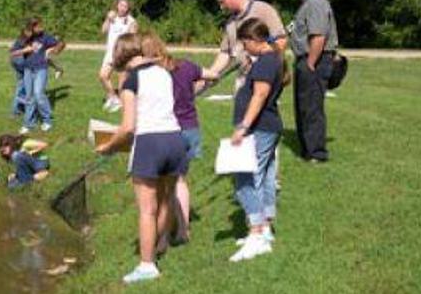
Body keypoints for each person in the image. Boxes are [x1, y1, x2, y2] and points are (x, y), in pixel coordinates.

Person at [96, 32, 187, 284]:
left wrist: (109, 146)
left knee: (147, 209)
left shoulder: (130, 81)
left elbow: (127, 127)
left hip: (150, 143)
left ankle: (147, 265)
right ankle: (159, 246)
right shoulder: (163, 72)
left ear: (120, 55)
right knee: (167, 198)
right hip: (175, 139)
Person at [141, 32, 218, 243]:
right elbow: (212, 75)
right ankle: (183, 230)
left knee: (163, 186)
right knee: (180, 181)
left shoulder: (151, 73)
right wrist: (198, 87)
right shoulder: (185, 65)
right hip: (190, 129)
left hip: (167, 130)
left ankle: (163, 236)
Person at [227, 18, 289, 262]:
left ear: (255, 40)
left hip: (260, 128)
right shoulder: (271, 58)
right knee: (265, 177)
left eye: (245, 42)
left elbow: (260, 94)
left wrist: (243, 126)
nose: (244, 48)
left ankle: (257, 233)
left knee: (246, 178)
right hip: (268, 127)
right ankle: (265, 228)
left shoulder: (265, 62)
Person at [289, 0, 340, 163]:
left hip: (314, 61)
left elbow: (318, 36)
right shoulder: (306, 3)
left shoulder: (316, 3)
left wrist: (310, 63)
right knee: (304, 107)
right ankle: (307, 150)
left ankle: (316, 153)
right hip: (308, 60)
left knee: (311, 108)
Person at [205, 0, 287, 89]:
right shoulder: (230, 22)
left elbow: (281, 41)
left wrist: (259, 58)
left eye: (222, 2)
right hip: (243, 79)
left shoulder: (263, 10)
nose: (221, 7)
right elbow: (226, 53)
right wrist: (211, 74)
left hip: (264, 77)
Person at [13, 18, 61, 134]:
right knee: (29, 97)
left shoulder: (46, 37)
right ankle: (29, 124)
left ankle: (47, 120)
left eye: (41, 25)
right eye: (38, 26)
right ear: (32, 28)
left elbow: (60, 44)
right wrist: (25, 50)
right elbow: (13, 53)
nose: (42, 28)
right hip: (28, 70)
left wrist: (53, 50)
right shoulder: (25, 38)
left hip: (41, 69)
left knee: (39, 94)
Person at [99, 0, 137, 112]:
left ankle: (121, 104)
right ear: (117, 5)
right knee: (103, 76)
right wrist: (107, 19)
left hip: (122, 54)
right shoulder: (112, 16)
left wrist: (128, 55)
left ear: (128, 8)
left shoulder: (131, 21)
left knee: (121, 84)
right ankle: (112, 97)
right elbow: (103, 31)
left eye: (125, 6)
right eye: (121, 5)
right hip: (110, 53)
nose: (122, 8)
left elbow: (132, 40)